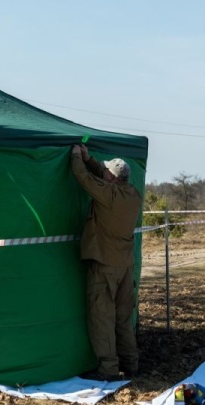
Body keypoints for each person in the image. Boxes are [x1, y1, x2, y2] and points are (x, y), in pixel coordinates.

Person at [70, 144, 142, 381]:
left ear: (111, 177)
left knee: (102, 317)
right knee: (122, 319)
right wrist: (90, 159)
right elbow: (101, 176)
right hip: (125, 265)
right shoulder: (133, 195)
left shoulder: (109, 195)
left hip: (104, 265)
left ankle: (108, 370)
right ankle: (131, 364)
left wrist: (76, 156)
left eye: (106, 171)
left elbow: (83, 178)